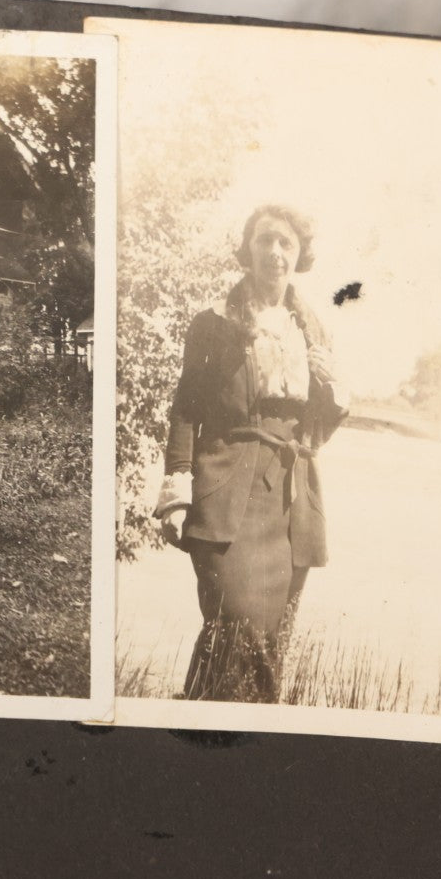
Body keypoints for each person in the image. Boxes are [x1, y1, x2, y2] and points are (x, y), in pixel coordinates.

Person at [154, 203, 348, 703]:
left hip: (290, 503)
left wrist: (333, 392)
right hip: (226, 493)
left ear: (300, 254)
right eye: (265, 240)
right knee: (233, 624)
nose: (275, 252)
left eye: (286, 242)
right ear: (248, 249)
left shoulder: (313, 330)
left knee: (269, 643)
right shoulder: (212, 324)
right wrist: (177, 489)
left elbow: (317, 431)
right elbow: (184, 409)